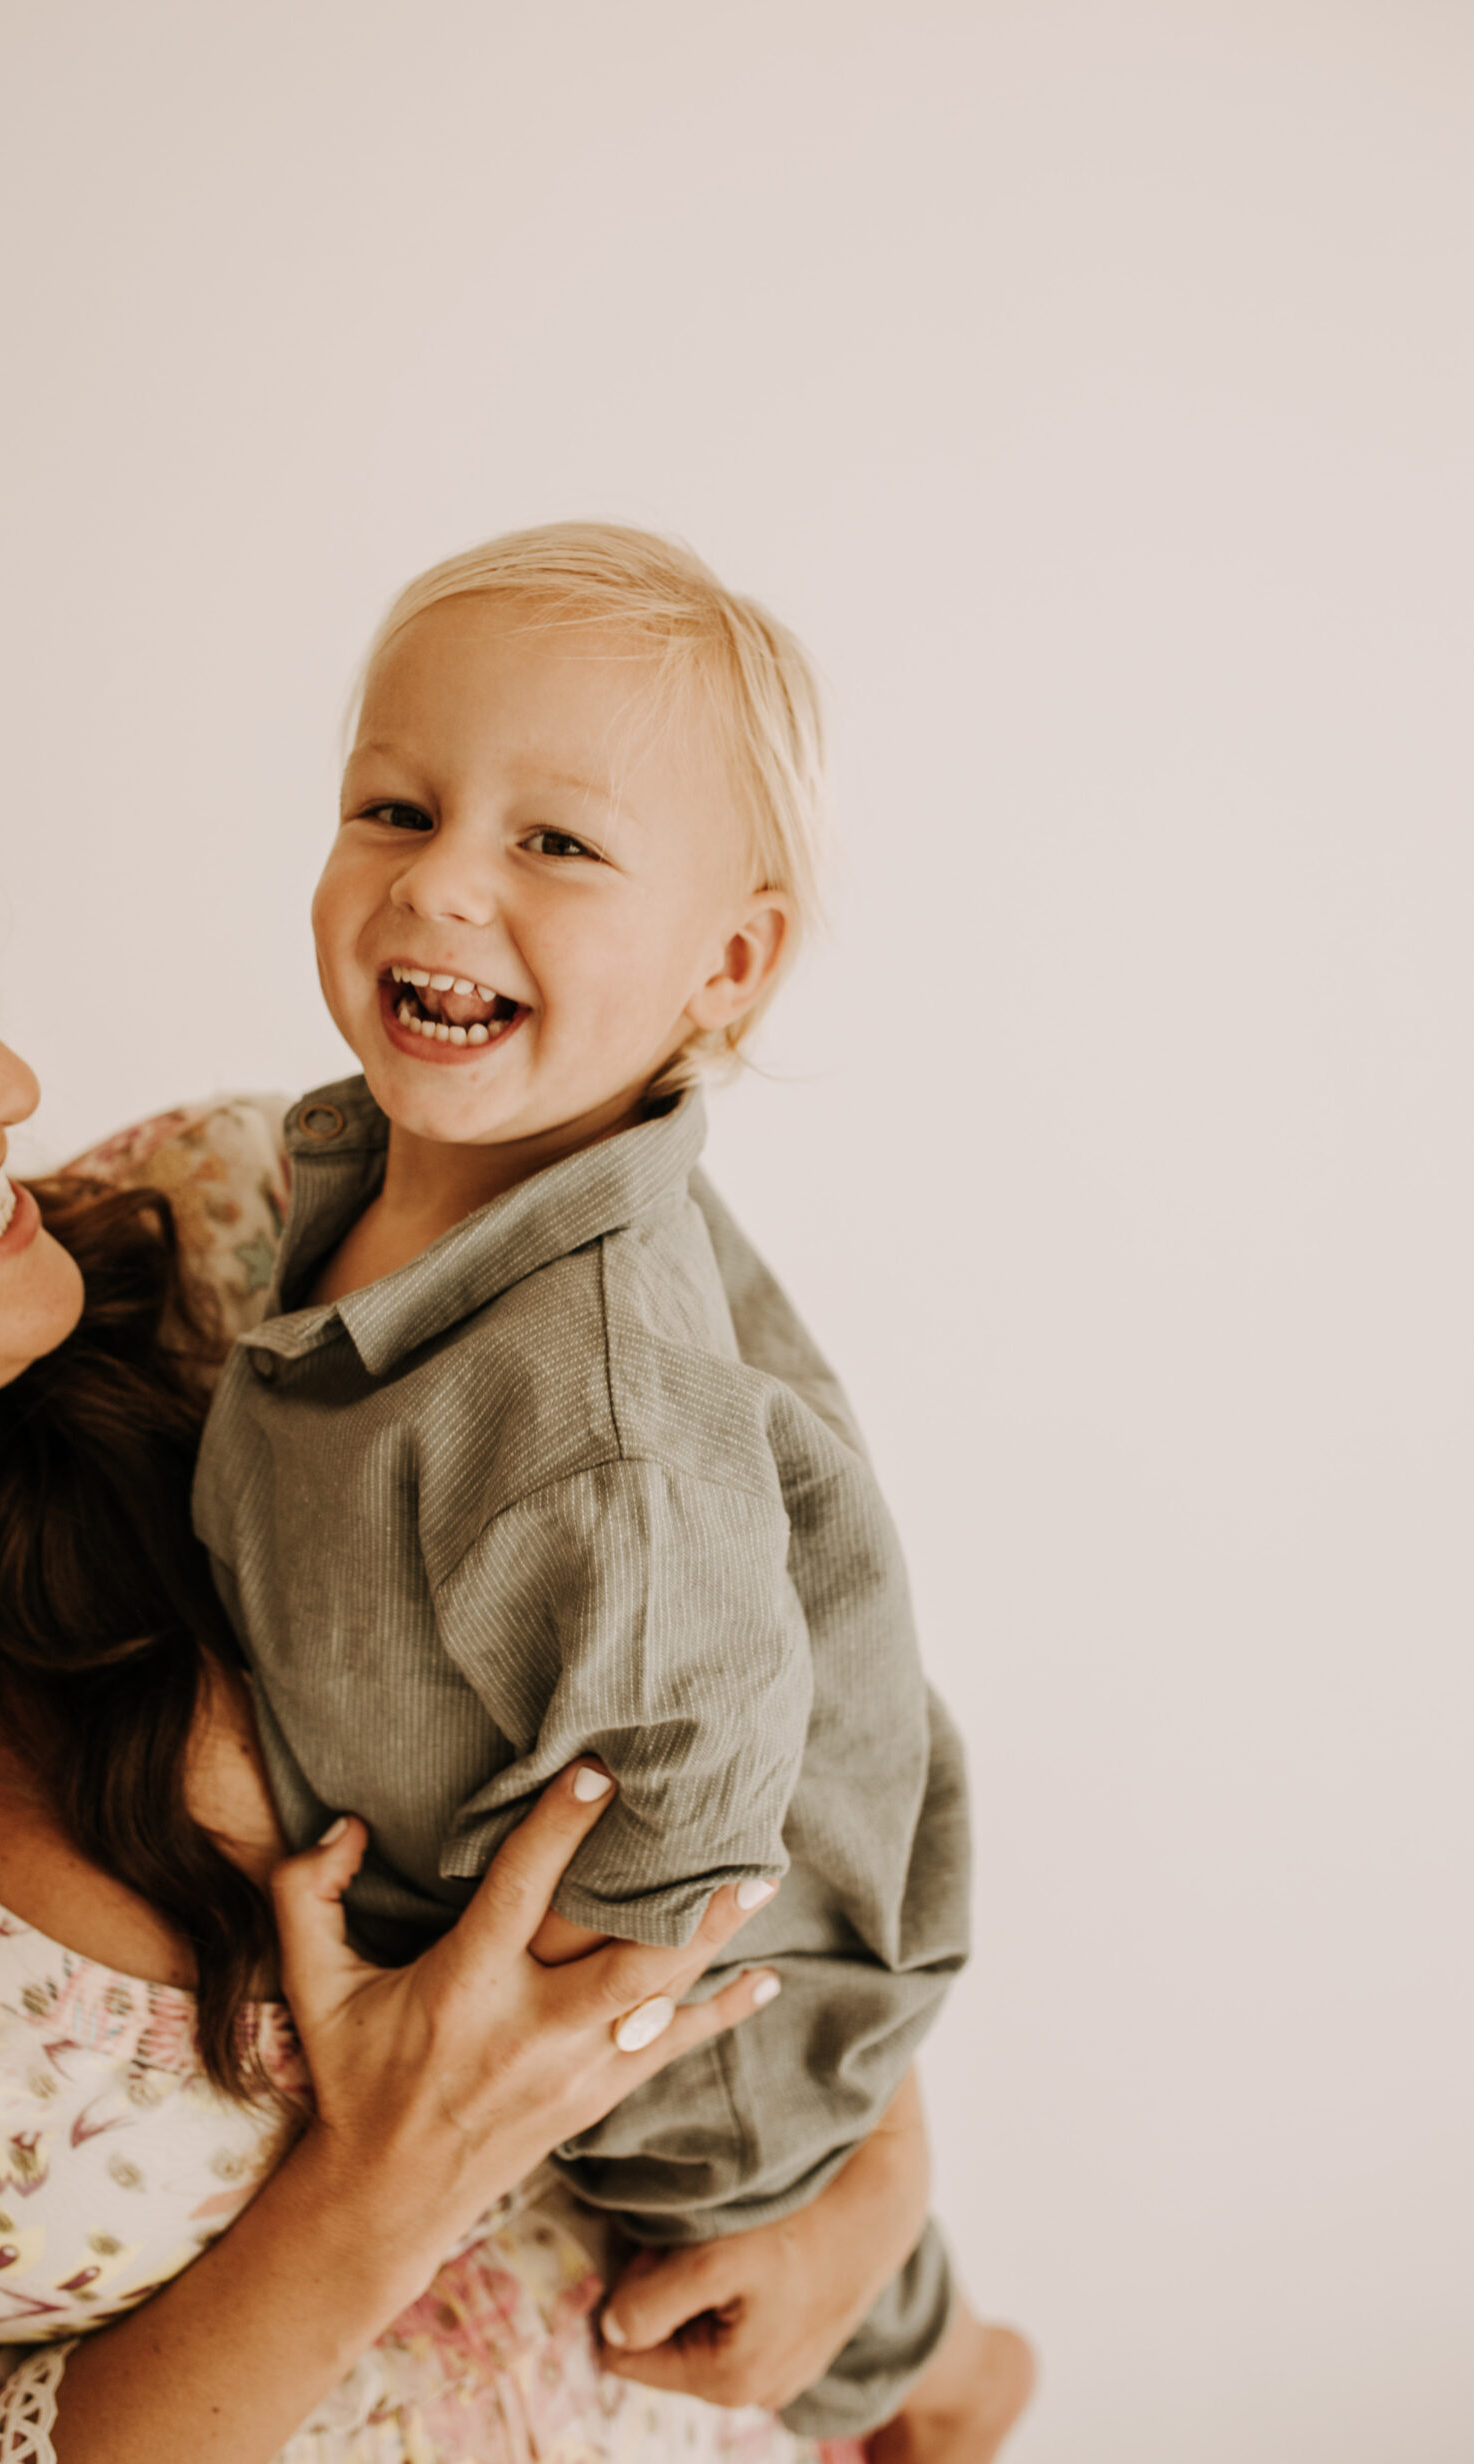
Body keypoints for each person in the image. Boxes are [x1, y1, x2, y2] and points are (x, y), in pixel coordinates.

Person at [0, 686, 947, 2464]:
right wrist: (388, 2178)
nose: (3, 1081)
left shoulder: (269, 1237)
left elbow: (787, 1640)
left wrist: (868, 2177)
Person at [192, 525, 1033, 2458]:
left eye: (555, 845)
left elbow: (699, 1794)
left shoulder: (590, 1407)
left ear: (723, 964)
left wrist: (545, 2048)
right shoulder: (370, 1170)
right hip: (546, 1804)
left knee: (741, 2257)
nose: (445, 881)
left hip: (670, 2004)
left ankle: (949, 2378)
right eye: (393, 807)